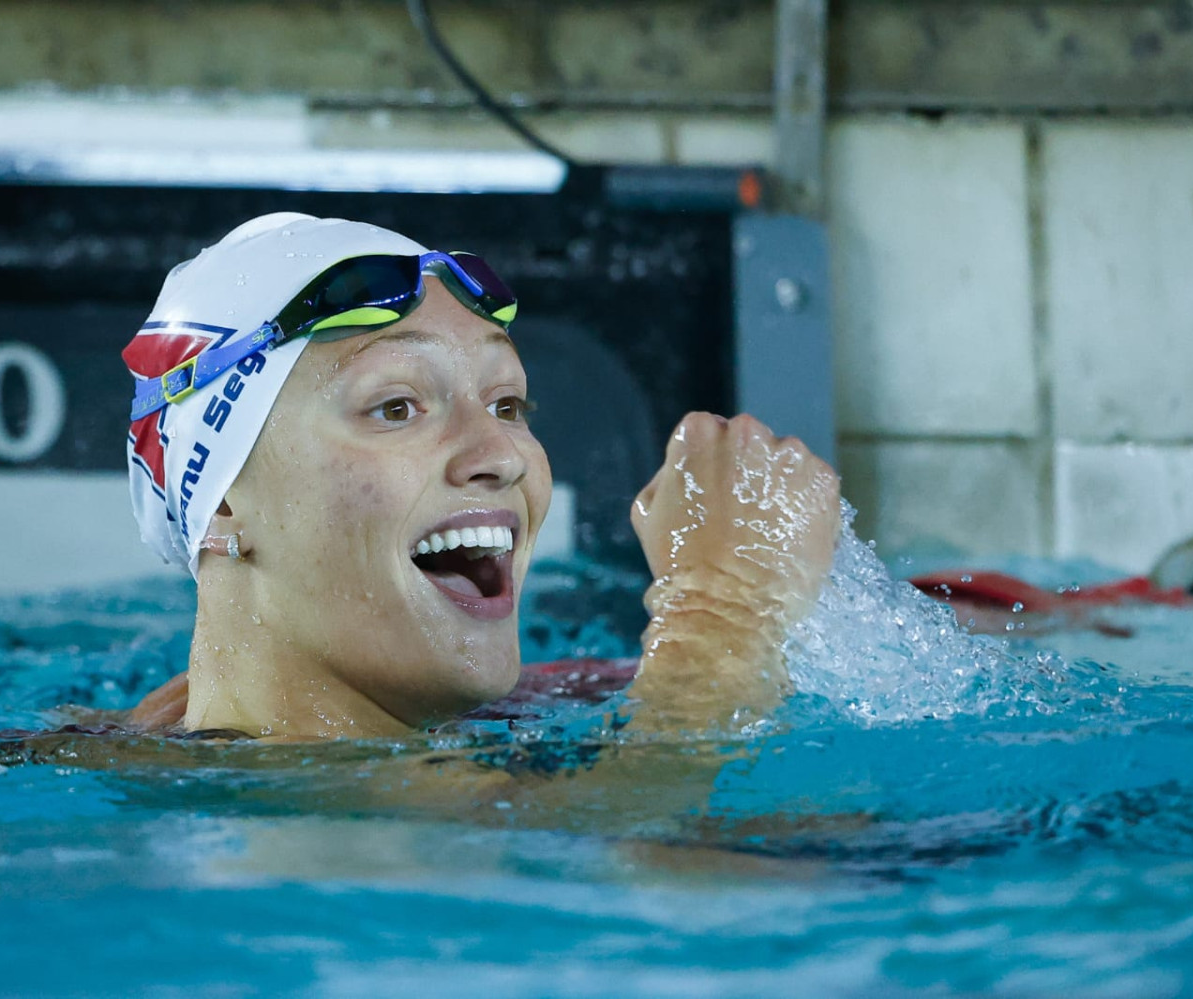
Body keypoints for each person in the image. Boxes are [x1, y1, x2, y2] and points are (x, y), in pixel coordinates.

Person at [121, 213, 841, 742]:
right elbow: (648, 858)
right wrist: (723, 613)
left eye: (507, 404)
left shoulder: (129, 744)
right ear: (223, 503)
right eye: (396, 407)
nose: (502, 453)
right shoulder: (288, 826)